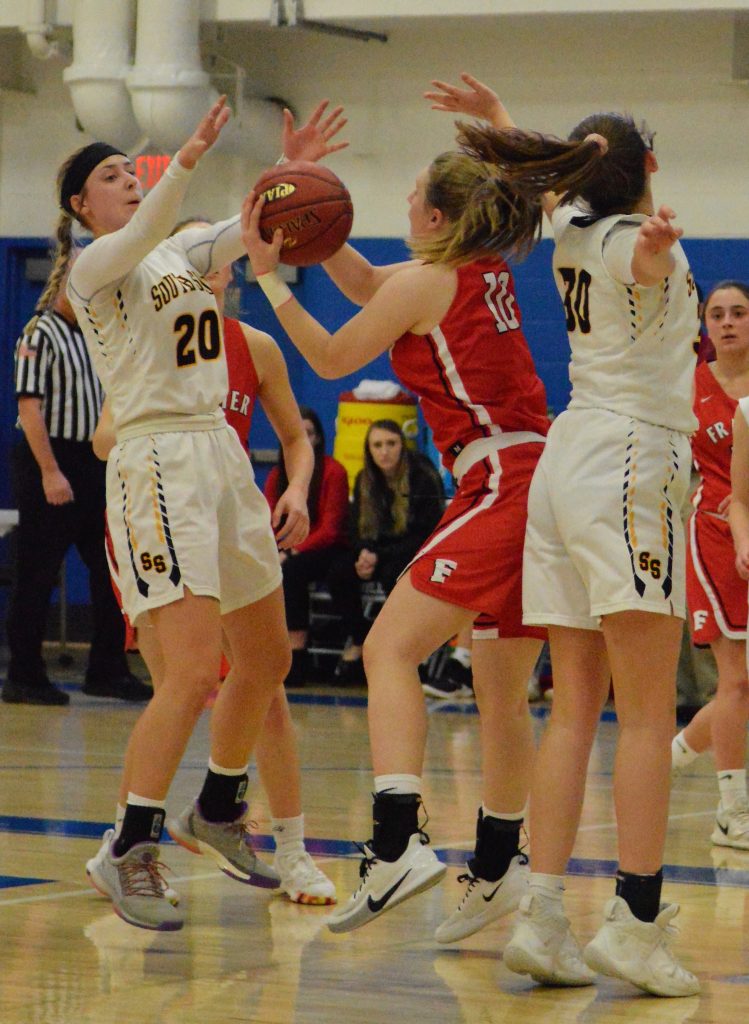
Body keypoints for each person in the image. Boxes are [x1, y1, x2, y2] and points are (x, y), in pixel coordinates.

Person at [429, 73, 700, 995]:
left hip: (566, 460)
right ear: (650, 166)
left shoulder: (571, 225)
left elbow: (552, 187)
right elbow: (642, 259)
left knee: (575, 708)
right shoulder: (624, 238)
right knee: (648, 712)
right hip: (628, 462)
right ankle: (633, 921)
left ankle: (543, 918)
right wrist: (657, 248)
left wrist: (501, 123)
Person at [242, 128, 549, 941]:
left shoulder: (428, 280)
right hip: (534, 479)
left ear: (436, 216)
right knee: (500, 693)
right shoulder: (470, 268)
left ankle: (395, 842)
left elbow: (331, 356)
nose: (404, 202)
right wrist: (300, 187)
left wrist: (269, 279)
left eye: (413, 194)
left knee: (386, 649)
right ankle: (498, 865)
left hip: (502, 480)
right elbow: (366, 281)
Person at [57, 95, 346, 930]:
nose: (128, 180)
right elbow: (154, 222)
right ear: (81, 204)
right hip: (157, 462)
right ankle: (127, 848)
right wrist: (183, 158)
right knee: (188, 675)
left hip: (219, 452)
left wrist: (290, 175)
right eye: (112, 175)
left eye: (132, 171)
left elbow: (242, 232)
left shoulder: (176, 254)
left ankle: (217, 808)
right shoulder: (95, 266)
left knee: (266, 660)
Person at [85, 239, 337, 906]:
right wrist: (166, 422)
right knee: (179, 685)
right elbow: (104, 438)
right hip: (160, 508)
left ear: (227, 270)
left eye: (214, 252)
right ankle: (121, 844)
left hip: (228, 511)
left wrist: (297, 490)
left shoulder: (255, 347)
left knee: (267, 684)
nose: (205, 264)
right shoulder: (148, 338)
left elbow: (296, 438)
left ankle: (289, 850)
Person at [3, 267, 150, 706]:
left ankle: (107, 668)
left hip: (92, 461)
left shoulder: (95, 331)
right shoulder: (39, 332)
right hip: (51, 458)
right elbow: (29, 408)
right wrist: (50, 471)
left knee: (111, 568)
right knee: (38, 572)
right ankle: (24, 675)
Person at [671, 282, 749, 851]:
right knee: (737, 679)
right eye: (716, 314)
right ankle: (732, 812)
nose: (727, 323)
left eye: (738, 313)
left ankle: (671, 756)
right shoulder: (688, 386)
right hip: (718, 537)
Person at [326, 419, 445, 684]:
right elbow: (355, 527)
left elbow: (425, 533)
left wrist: (377, 554)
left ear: (402, 445)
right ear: (369, 450)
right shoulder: (365, 478)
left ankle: (409, 650)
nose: (385, 451)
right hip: (379, 550)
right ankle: (361, 640)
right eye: (377, 445)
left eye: (391, 444)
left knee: (395, 574)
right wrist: (364, 552)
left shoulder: (422, 476)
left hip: (415, 551)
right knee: (339, 572)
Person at [264, 406, 350, 687]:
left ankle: (296, 651)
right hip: (288, 549)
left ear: (318, 437)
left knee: (292, 571)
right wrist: (276, 550)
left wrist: (293, 550)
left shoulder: (334, 471)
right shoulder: (276, 475)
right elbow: (268, 521)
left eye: (309, 433)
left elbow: (331, 529)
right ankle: (268, 651)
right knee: (266, 570)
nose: (304, 438)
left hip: (327, 549)